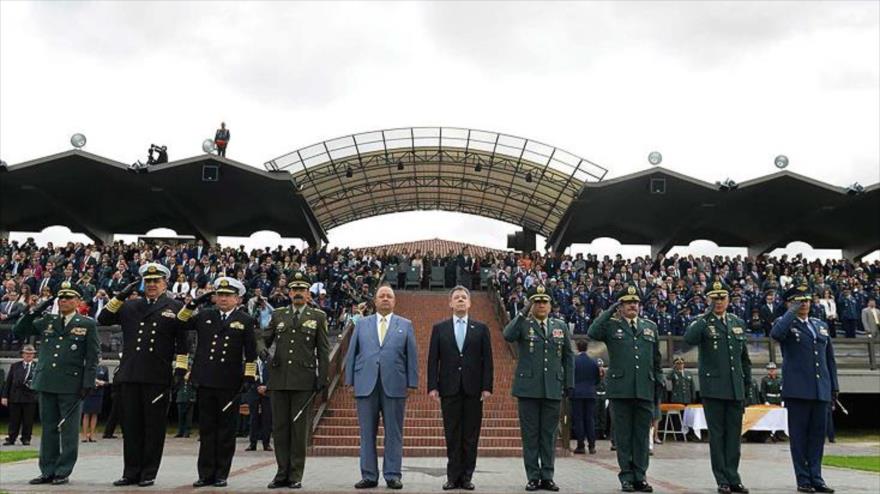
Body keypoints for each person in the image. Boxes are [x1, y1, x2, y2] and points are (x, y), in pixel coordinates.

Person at [97, 262, 189, 487]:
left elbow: (183, 343)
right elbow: (103, 319)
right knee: (131, 426)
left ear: (165, 283)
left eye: (156, 281)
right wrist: (120, 296)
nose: (151, 285)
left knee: (153, 427)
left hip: (157, 375)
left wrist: (180, 370)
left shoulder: (175, 307)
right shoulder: (130, 306)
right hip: (130, 373)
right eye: (148, 281)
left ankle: (148, 472)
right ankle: (130, 472)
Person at [13, 283, 99, 485]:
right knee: (48, 428)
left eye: (69, 299)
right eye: (61, 298)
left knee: (68, 431)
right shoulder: (48, 320)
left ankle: (63, 470)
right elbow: (20, 329)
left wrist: (88, 382)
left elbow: (93, 356)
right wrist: (39, 308)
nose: (64, 302)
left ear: (77, 302)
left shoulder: (86, 323)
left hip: (71, 383)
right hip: (47, 381)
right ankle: (47, 470)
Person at [178, 276, 257, 488]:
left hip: (229, 382)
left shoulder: (245, 320)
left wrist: (249, 377)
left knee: (225, 431)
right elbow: (181, 321)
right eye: (220, 295)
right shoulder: (205, 315)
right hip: (205, 379)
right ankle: (205, 474)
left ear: (237, 299)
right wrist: (195, 302)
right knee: (207, 430)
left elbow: (251, 353)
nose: (223, 298)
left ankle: (221, 473)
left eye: (228, 295)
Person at [344, 284, 419, 490]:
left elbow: (411, 356)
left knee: (394, 433)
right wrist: (349, 380)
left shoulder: (405, 324)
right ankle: (369, 475)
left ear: (394, 301)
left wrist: (412, 382)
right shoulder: (361, 324)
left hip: (395, 385)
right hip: (365, 384)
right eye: (381, 296)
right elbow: (352, 353)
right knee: (366, 432)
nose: (385, 299)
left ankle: (393, 474)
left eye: (389, 296)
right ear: (375, 301)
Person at [588, 284, 661, 493]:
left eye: (635, 302)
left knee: (641, 436)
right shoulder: (612, 326)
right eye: (628, 302)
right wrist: (611, 309)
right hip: (620, 389)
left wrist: (658, 380)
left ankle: (641, 476)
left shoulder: (650, 327)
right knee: (623, 436)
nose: (632, 306)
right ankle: (626, 477)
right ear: (620, 306)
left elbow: (656, 359)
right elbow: (593, 331)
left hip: (644, 388)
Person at [261, 272, 330, 489]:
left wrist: (323, 378)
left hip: (303, 380)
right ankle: (281, 473)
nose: (298, 294)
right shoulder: (279, 315)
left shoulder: (318, 316)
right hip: (279, 379)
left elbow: (323, 349)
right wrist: (264, 353)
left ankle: (295, 474)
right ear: (289, 293)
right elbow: (262, 339)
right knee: (280, 429)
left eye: (302, 290)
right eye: (294, 290)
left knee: (299, 430)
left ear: (308, 294)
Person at [503, 284, 574, 492]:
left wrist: (569, 383)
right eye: (537, 301)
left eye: (544, 301)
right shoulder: (524, 324)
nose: (541, 305)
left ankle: (548, 476)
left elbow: (568, 357)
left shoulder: (560, 326)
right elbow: (508, 335)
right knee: (530, 435)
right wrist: (524, 311)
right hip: (528, 389)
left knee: (549, 435)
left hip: (552, 387)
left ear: (551, 305)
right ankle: (533, 476)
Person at [684, 279, 751, 494]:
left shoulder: (737, 322)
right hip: (714, 389)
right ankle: (721, 479)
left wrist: (747, 387)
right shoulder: (703, 322)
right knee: (717, 435)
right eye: (714, 298)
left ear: (729, 300)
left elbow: (744, 360)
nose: (719, 301)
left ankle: (734, 477)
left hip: (735, 388)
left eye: (722, 298)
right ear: (709, 300)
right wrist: (705, 317)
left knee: (734, 436)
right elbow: (689, 339)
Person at [771, 284, 838, 493]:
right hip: (798, 390)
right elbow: (776, 334)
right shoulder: (786, 324)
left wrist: (833, 387)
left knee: (818, 436)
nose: (805, 304)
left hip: (820, 389)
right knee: (799, 437)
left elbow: (829, 359)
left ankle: (817, 477)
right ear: (789, 303)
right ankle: (803, 479)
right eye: (800, 301)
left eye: (807, 300)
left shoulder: (819, 325)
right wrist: (791, 311)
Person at [427, 286, 494, 490]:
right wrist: (432, 386)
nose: (460, 300)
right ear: (450, 303)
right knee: (452, 434)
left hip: (474, 390)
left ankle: (466, 477)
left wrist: (487, 387)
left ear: (470, 303)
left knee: (471, 435)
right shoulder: (440, 328)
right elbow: (433, 360)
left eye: (464, 297)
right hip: (449, 389)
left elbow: (488, 360)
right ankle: (452, 477)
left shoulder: (481, 328)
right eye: (456, 298)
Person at [2, 345, 38, 446]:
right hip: (16, 396)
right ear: (23, 354)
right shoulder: (15, 366)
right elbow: (8, 382)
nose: (28, 356)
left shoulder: (37, 366)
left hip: (30, 397)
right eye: (26, 354)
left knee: (28, 420)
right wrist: (4, 396)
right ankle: (11, 437)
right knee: (14, 419)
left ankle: (26, 438)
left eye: (31, 354)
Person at [571, 339, 600, 455]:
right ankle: (592, 445)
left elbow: (571, 377)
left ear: (577, 348)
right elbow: (597, 378)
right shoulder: (593, 362)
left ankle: (580, 445)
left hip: (577, 393)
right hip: (590, 392)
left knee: (579, 420)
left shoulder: (574, 361)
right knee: (590, 419)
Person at [245, 353, 272, 452]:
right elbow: (248, 379)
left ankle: (266, 443)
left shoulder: (270, 360)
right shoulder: (252, 361)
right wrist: (256, 388)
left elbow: (274, 376)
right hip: (254, 392)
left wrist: (267, 387)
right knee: (253, 418)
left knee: (267, 417)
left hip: (267, 392)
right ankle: (252, 443)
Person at [81, 362, 109, 442]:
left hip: (98, 393)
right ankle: (85, 435)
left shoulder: (104, 368)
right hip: (88, 392)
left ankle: (92, 435)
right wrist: (93, 381)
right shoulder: (87, 366)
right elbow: (84, 378)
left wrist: (102, 383)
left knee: (95, 414)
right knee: (86, 413)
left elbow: (107, 382)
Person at [175, 370, 196, 438]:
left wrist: (191, 380)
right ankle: (180, 431)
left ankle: (187, 431)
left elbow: (196, 387)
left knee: (188, 417)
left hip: (189, 399)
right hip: (181, 399)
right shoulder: (180, 381)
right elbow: (175, 386)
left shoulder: (192, 381)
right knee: (181, 416)